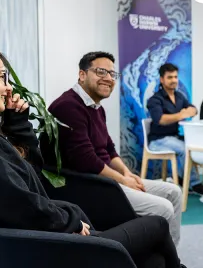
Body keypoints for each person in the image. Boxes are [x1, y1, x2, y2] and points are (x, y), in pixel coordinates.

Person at [0, 41, 183, 268]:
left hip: (28, 247)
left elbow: (28, 178)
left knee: (155, 261)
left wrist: (17, 121)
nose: (9, 87)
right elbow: (24, 207)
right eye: (0, 77)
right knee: (158, 224)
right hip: (46, 252)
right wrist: (71, 221)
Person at [40, 52, 183, 246]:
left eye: (112, 74)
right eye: (101, 72)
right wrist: (123, 180)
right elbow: (86, 159)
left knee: (173, 192)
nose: (108, 78)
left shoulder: (97, 107)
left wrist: (127, 173)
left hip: (107, 179)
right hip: (89, 185)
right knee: (164, 207)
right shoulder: (68, 106)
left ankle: (171, 258)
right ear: (82, 75)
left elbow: (108, 148)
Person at [146, 63, 203, 195]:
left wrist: (191, 111)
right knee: (184, 149)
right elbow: (160, 119)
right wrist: (181, 114)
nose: (174, 80)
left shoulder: (179, 96)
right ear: (162, 79)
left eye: (175, 77)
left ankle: (181, 178)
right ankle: (195, 184)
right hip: (158, 140)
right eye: (170, 77)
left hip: (174, 137)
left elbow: (193, 109)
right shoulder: (155, 100)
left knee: (193, 145)